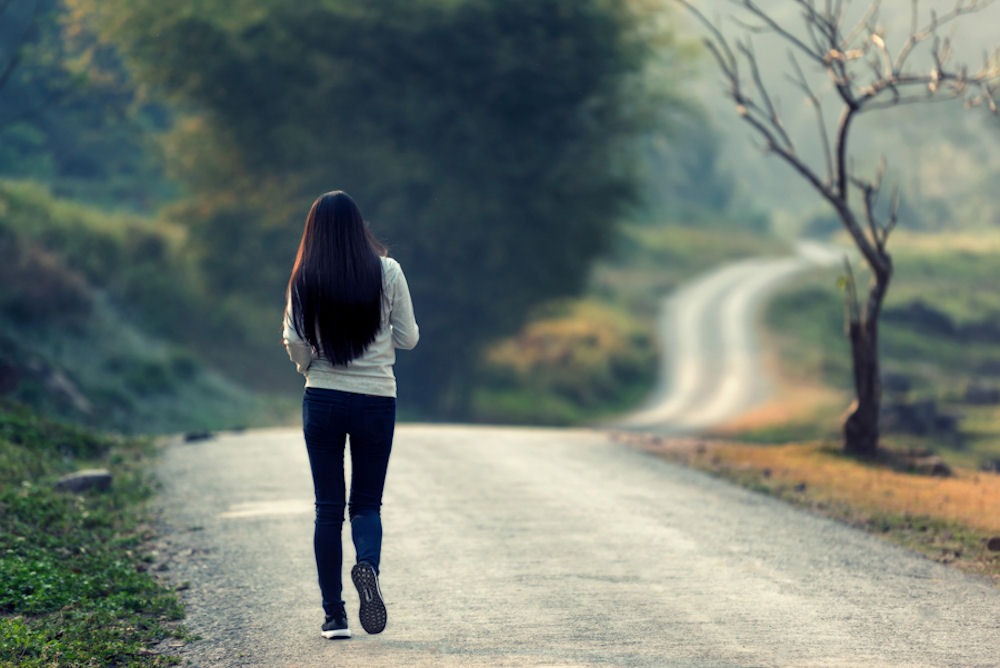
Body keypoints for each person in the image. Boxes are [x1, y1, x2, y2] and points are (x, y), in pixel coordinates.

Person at [282, 190, 419, 639]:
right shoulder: (388, 271)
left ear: (314, 231)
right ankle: (368, 565)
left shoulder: (305, 277)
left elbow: (294, 340)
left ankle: (334, 616)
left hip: (322, 397)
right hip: (376, 398)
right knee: (366, 503)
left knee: (327, 509)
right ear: (359, 226)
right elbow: (409, 337)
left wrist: (310, 365)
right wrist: (382, 342)